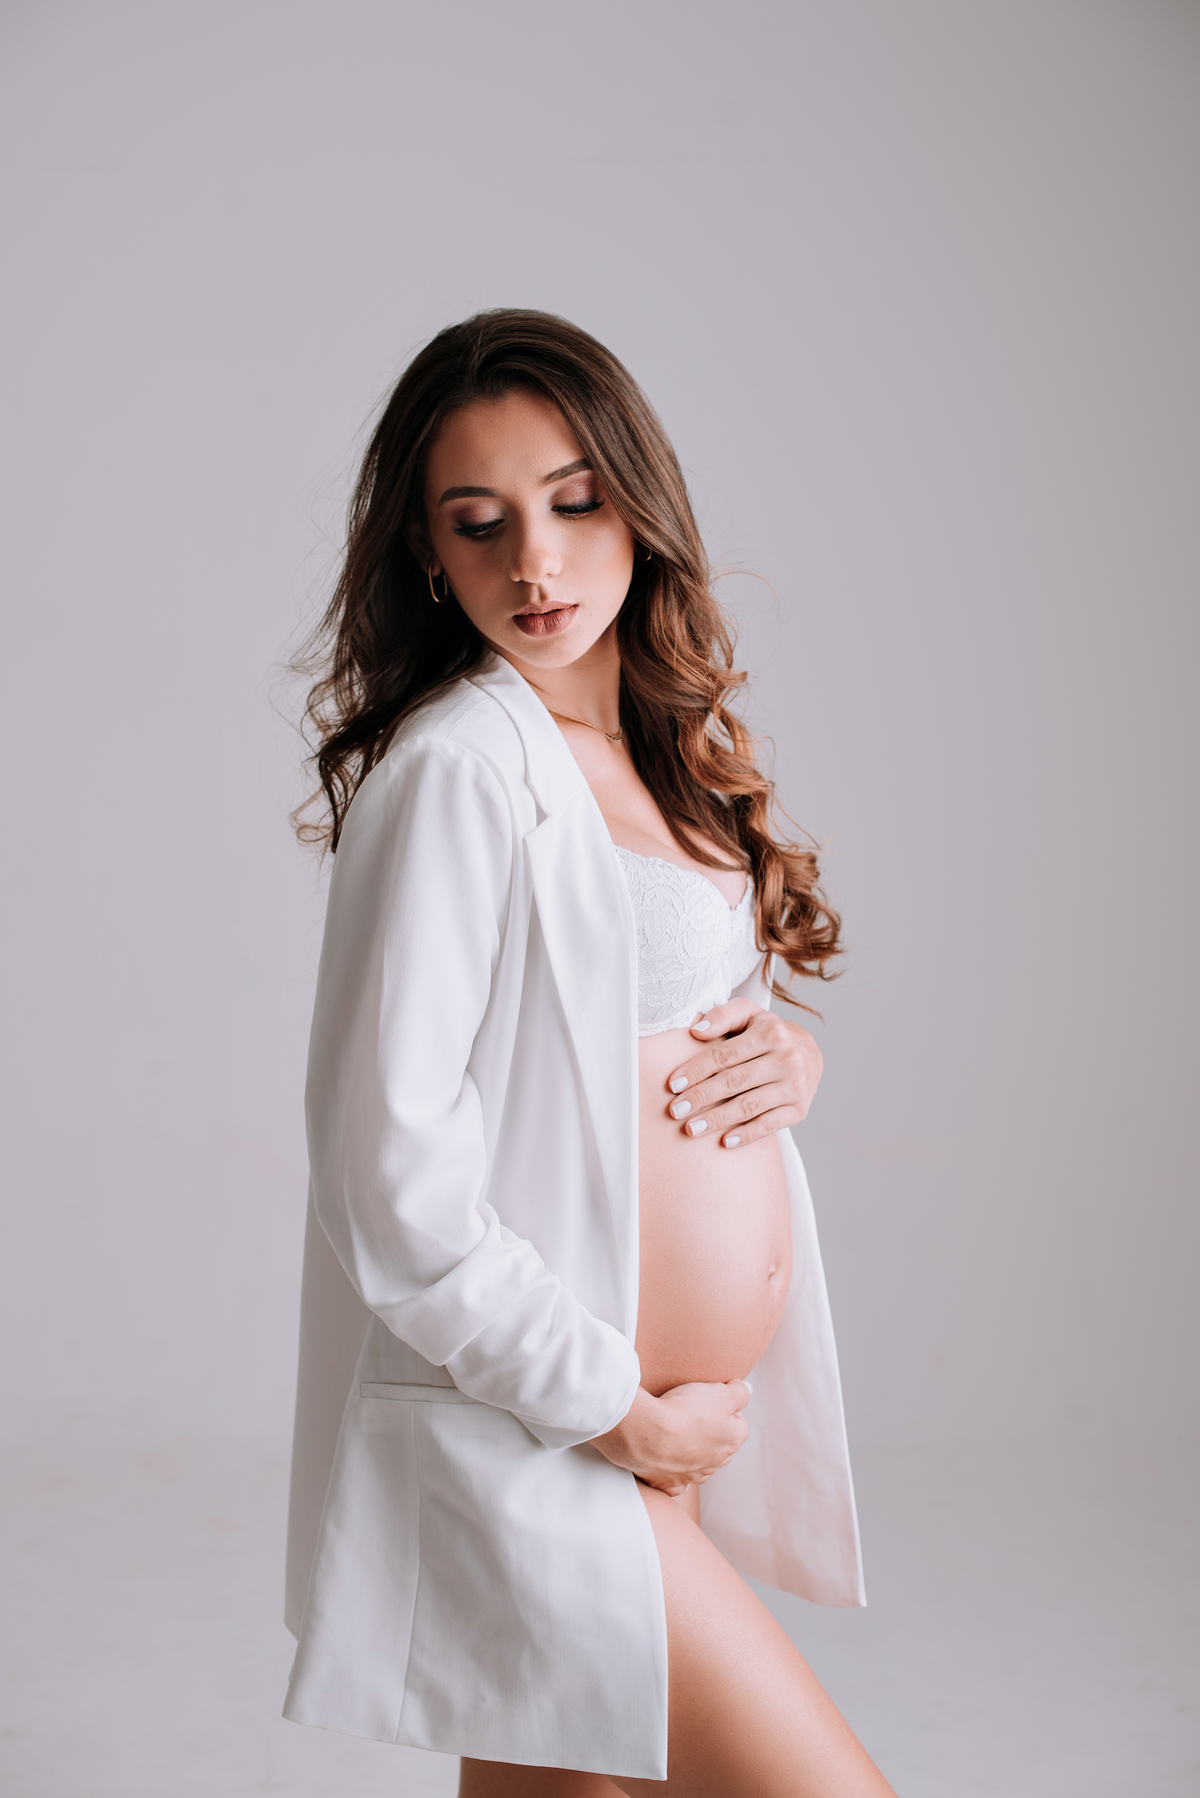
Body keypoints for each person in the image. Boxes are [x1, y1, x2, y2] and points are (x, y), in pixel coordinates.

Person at [282, 309, 895, 1797]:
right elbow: (387, 1175)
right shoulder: (453, 774)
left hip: (644, 1444)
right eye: (478, 523)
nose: (535, 564)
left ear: (638, 495)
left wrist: (785, 1073)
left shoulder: (656, 751)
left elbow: (659, 1017)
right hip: (547, 1436)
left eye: (573, 502)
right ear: (432, 554)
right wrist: (612, 1406)